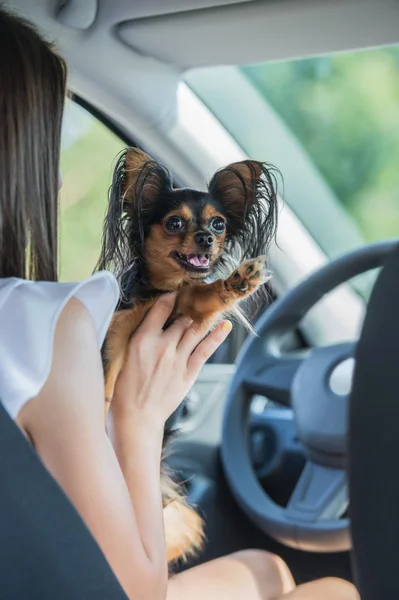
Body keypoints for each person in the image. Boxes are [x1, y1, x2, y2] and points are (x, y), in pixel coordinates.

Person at [0, 6, 359, 600]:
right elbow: (138, 590)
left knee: (266, 570)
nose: (58, 180)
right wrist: (137, 419)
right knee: (336, 593)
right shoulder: (37, 322)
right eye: (49, 147)